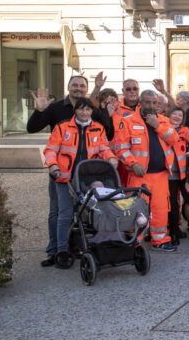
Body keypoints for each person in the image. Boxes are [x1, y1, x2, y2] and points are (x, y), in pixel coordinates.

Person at [42, 97, 118, 268]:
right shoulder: (62, 127)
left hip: (85, 178)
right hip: (64, 177)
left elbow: (104, 148)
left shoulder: (97, 128)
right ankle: (59, 251)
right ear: (75, 110)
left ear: (92, 111)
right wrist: (53, 166)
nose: (84, 113)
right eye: (81, 109)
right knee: (64, 214)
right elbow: (51, 150)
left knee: (88, 212)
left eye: (88, 109)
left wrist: (111, 159)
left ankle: (83, 246)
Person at [113, 90, 180, 251]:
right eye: (148, 103)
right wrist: (133, 163)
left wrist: (156, 126)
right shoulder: (128, 121)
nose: (151, 106)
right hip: (138, 175)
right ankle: (134, 241)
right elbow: (121, 148)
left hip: (161, 175)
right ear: (140, 103)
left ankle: (160, 240)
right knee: (136, 210)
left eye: (154, 103)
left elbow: (174, 139)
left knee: (161, 209)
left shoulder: (163, 121)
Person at [166, 105, 189, 245]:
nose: (177, 117)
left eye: (180, 115)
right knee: (172, 205)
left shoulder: (184, 131)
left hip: (182, 174)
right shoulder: (163, 129)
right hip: (168, 174)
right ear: (169, 115)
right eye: (174, 114)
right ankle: (174, 230)